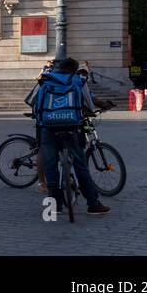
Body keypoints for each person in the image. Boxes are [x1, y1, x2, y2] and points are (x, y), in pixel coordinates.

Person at [27, 57, 110, 216]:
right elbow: (90, 103)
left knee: (51, 165)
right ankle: (93, 204)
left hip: (48, 127)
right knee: (80, 165)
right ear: (73, 69)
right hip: (72, 126)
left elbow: (33, 102)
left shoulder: (45, 79)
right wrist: (91, 110)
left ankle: (54, 206)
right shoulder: (78, 80)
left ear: (58, 68)